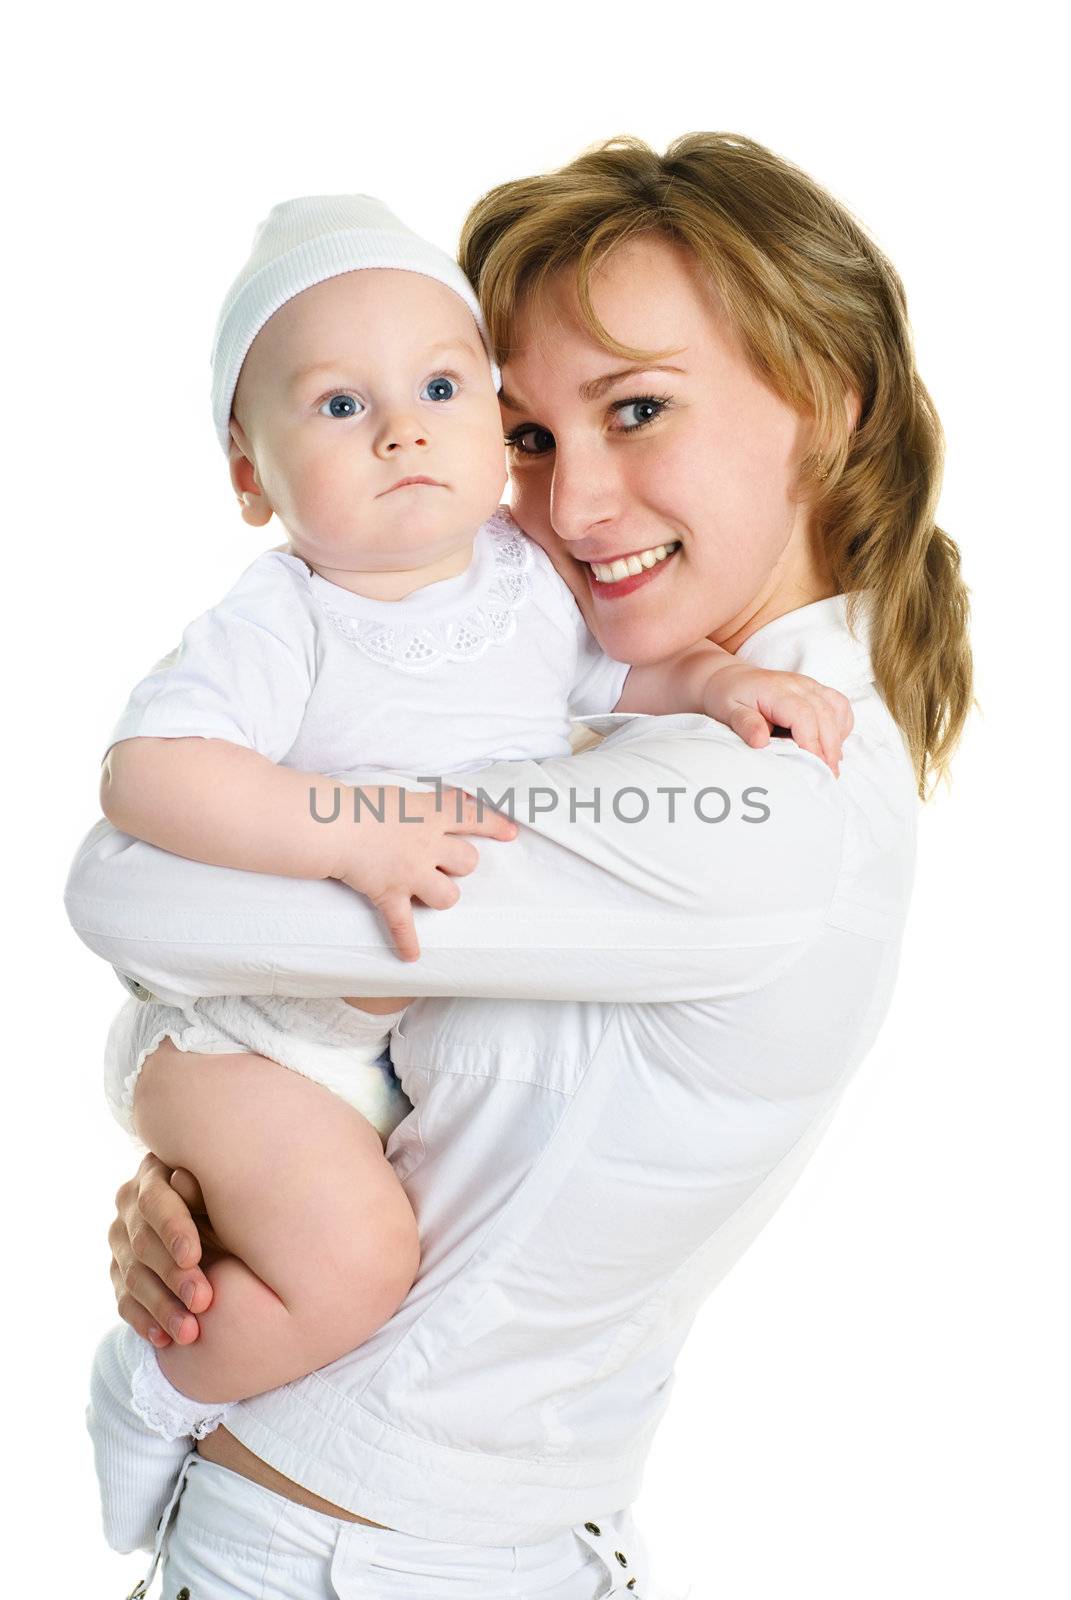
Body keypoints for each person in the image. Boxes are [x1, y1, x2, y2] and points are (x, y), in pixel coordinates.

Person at [67, 132, 972, 1599]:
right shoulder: (580, 709)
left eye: (637, 409)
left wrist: (167, 1065)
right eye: (531, 435)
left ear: (826, 401)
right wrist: (202, 1167)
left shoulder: (763, 800)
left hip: (364, 1558)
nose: (568, 508)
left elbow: (121, 889)